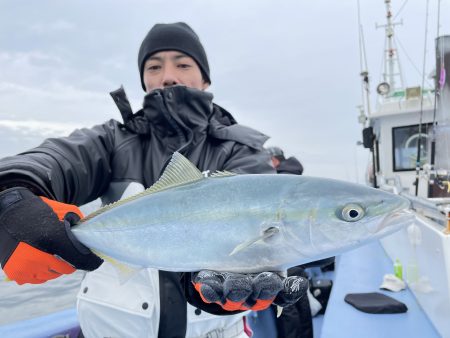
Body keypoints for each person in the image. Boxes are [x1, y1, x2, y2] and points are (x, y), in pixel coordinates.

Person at [0, 23, 308, 338]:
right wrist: (12, 194)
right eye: (154, 66)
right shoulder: (112, 141)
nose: (168, 75)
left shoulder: (239, 149)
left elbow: (258, 224)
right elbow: (53, 160)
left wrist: (222, 286)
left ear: (205, 78)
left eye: (183, 64)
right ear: (144, 80)